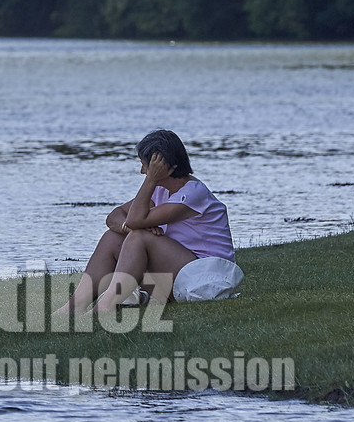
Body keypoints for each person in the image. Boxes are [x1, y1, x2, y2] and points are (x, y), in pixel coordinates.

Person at [54, 130, 236, 315]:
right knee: (113, 237)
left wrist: (150, 181)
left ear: (162, 166)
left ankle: (105, 306)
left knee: (139, 236)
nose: (142, 171)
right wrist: (128, 227)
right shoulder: (161, 191)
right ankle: (74, 306)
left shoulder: (192, 194)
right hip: (180, 272)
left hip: (205, 277)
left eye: (145, 166)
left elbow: (135, 220)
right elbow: (115, 216)